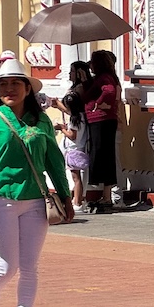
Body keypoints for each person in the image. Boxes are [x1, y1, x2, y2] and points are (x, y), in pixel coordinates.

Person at [0, 57, 75, 307]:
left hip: (35, 202)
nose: (10, 89)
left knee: (29, 267)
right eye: (4, 84)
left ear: (28, 89)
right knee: (6, 268)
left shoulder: (41, 121)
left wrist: (65, 197)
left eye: (16, 83)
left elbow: (54, 161)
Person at [52, 61, 92, 213]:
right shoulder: (79, 117)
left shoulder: (76, 118)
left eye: (72, 71)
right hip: (75, 148)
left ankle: (77, 201)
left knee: (76, 178)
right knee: (75, 177)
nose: (70, 74)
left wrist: (62, 128)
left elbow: (72, 135)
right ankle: (76, 199)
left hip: (74, 148)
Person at [84, 50, 121, 212]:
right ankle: (106, 195)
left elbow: (109, 91)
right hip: (102, 120)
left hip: (101, 119)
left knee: (102, 155)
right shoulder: (104, 77)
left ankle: (106, 195)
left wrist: (96, 104)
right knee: (105, 155)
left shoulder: (104, 78)